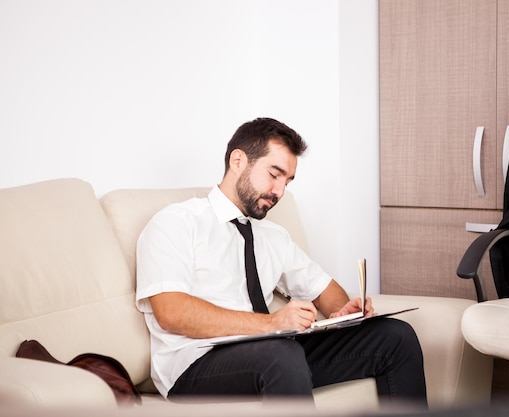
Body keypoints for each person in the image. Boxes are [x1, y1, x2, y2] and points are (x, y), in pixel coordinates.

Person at [135, 117, 427, 407]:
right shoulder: (176, 223)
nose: (280, 192)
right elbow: (171, 312)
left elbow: (324, 289)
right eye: (274, 174)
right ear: (238, 161)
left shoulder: (273, 236)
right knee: (281, 354)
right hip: (195, 364)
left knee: (395, 336)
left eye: (287, 181)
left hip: (273, 353)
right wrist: (272, 323)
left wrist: (342, 312)